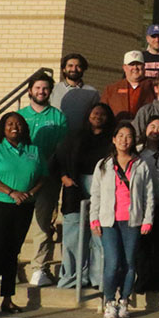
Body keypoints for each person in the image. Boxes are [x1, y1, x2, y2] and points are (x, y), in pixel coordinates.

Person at [0, 112, 46, 314]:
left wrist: (30, 192)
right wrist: (10, 192)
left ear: (24, 127)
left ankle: (7, 299)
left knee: (13, 252)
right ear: (2, 128)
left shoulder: (33, 150)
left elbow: (43, 175)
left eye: (18, 123)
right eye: (9, 123)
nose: (14, 127)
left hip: (23, 206)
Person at [89, 122, 154, 318]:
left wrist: (147, 219)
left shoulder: (140, 164)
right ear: (114, 139)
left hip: (132, 220)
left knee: (129, 263)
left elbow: (148, 194)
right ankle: (109, 301)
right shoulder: (103, 165)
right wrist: (94, 218)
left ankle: (124, 300)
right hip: (109, 221)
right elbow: (96, 194)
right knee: (112, 262)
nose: (124, 140)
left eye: (129, 136)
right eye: (121, 136)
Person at [53, 102, 113, 291]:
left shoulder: (112, 139)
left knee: (99, 236)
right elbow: (57, 160)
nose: (98, 116)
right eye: (95, 113)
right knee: (73, 237)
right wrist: (64, 177)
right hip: (75, 190)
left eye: (103, 114)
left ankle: (97, 278)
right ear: (88, 115)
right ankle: (72, 277)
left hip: (103, 191)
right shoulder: (74, 137)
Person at [17, 70, 68, 287]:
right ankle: (10, 264)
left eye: (45, 88)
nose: (41, 91)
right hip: (20, 179)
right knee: (16, 223)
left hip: (47, 178)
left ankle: (38, 267)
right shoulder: (20, 116)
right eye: (37, 88)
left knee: (42, 223)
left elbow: (61, 148)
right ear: (30, 91)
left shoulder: (58, 117)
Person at [134, 116, 159, 293]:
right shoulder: (137, 153)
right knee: (143, 245)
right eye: (152, 126)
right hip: (143, 206)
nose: (156, 131)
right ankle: (143, 280)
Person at [52, 53, 101, 132]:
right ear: (63, 69)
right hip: (56, 134)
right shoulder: (53, 89)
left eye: (78, 66)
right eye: (70, 66)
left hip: (82, 136)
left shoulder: (92, 93)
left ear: (83, 69)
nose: (74, 69)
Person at [102, 50, 155, 123]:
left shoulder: (154, 87)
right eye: (131, 64)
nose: (135, 67)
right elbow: (102, 112)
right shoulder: (111, 90)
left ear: (144, 66)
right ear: (124, 67)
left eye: (138, 64)